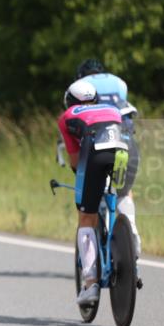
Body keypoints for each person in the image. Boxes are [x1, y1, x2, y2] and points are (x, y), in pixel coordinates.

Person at [58, 79, 128, 306]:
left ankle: (90, 284)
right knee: (115, 196)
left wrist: (82, 179)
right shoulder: (112, 108)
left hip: (95, 155)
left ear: (69, 100)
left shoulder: (67, 116)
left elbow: (76, 160)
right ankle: (127, 241)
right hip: (122, 152)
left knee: (86, 217)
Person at [62, 59, 141, 256]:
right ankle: (132, 231)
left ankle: (91, 278)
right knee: (124, 191)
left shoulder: (79, 90)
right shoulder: (118, 82)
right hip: (126, 141)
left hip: (97, 145)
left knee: (88, 205)